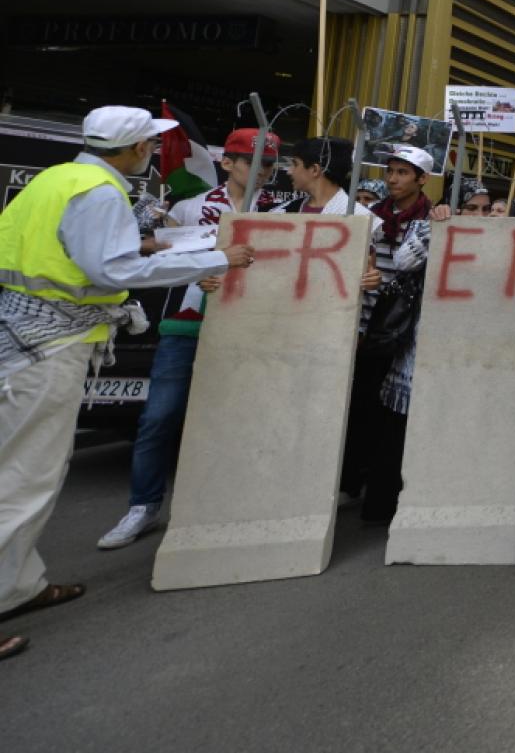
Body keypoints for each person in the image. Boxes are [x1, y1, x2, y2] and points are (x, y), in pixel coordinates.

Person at [0, 107, 256, 661]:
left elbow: (80, 255)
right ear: (136, 148)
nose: (152, 150)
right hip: (47, 344)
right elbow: (111, 273)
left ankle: (18, 586)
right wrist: (215, 257)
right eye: (149, 143)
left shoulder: (58, 178)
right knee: (26, 475)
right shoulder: (99, 192)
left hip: (25, 334)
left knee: (26, 469)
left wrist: (146, 247)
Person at [96, 137, 371, 551]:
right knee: (159, 418)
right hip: (186, 324)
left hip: (249, 329)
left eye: (272, 165)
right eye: (254, 162)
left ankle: (230, 503)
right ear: (228, 163)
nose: (264, 171)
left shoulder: (277, 212)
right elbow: (152, 255)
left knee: (239, 421)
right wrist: (193, 268)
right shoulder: (189, 204)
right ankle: (144, 506)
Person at [343, 146, 435, 525]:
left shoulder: (431, 220)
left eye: (402, 173)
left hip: (402, 334)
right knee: (359, 410)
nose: (393, 179)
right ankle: (352, 482)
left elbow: (405, 266)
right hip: (363, 327)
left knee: (390, 419)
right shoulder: (369, 218)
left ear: (421, 179)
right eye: (391, 171)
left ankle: (381, 500)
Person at [167, 127, 287, 227]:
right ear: (227, 163)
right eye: (252, 163)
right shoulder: (187, 210)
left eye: (268, 164)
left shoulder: (282, 211)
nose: (261, 171)